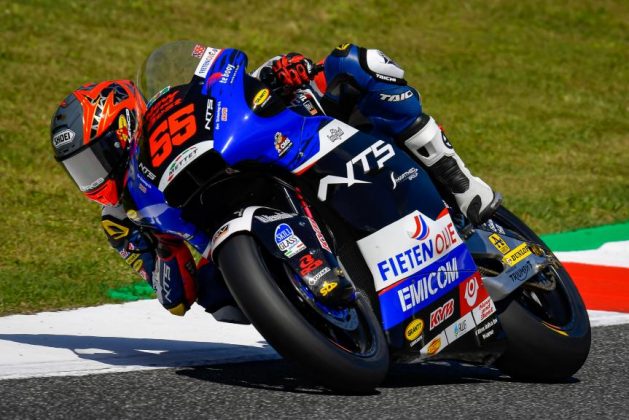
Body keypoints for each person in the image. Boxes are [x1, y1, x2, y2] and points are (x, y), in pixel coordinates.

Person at [50, 43, 500, 319]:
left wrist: (279, 73)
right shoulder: (121, 219)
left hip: (282, 146)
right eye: (79, 171)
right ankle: (308, 315)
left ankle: (457, 179)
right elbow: (175, 299)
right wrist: (159, 249)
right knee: (216, 298)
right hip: (227, 236)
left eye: (92, 161)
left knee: (353, 63)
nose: (92, 179)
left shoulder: (171, 105)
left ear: (121, 129)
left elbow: (235, 89)